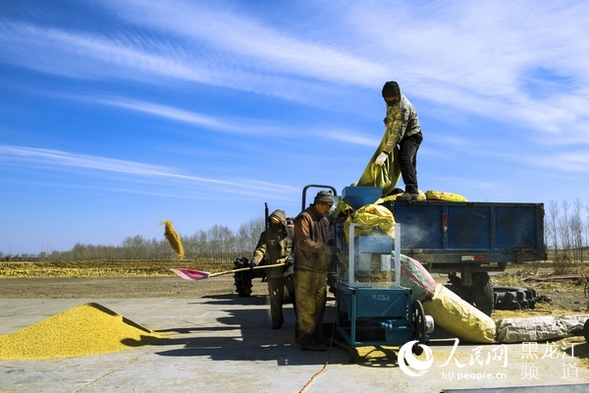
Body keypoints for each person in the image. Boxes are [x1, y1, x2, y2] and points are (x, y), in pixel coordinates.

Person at [293, 190, 335, 351]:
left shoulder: (324, 220)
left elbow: (327, 239)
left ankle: (317, 335)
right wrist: (325, 249)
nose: (329, 209)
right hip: (305, 269)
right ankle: (307, 339)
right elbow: (303, 242)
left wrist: (334, 248)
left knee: (320, 305)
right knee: (306, 306)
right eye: (328, 206)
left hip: (319, 270)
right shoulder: (304, 217)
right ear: (319, 204)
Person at [373, 81, 423, 200]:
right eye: (387, 99)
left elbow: (398, 132)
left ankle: (412, 191)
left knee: (405, 158)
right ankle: (413, 190)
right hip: (403, 136)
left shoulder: (403, 107)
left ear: (398, 95)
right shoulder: (390, 101)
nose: (389, 101)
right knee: (409, 163)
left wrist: (385, 152)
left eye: (392, 98)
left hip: (412, 135)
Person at [250, 209, 295, 329]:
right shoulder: (266, 235)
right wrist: (255, 261)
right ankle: (277, 321)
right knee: (275, 298)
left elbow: (298, 249)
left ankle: (301, 321)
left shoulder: (291, 233)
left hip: (289, 270)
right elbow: (260, 250)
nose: (274, 224)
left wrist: (292, 258)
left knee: (296, 296)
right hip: (273, 271)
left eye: (277, 222)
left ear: (282, 222)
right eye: (272, 222)